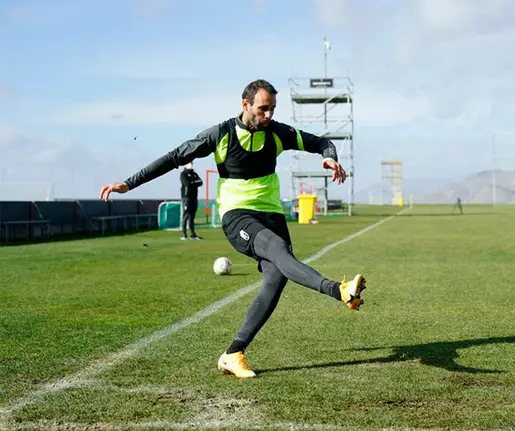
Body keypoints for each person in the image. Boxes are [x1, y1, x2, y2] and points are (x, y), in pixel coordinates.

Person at [98, 79, 367, 379]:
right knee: (277, 251)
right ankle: (338, 289)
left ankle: (233, 353)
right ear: (245, 105)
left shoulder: (278, 133)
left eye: (273, 109)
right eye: (263, 109)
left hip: (272, 214)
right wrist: (129, 182)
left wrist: (329, 157)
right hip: (237, 215)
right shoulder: (220, 134)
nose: (268, 116)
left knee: (276, 278)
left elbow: (320, 143)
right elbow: (175, 156)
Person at [180, 162, 203, 240]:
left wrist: (193, 182)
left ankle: (192, 235)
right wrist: (194, 183)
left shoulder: (194, 174)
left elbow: (200, 182)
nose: (190, 165)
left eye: (191, 163)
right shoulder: (183, 174)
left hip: (194, 197)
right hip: (186, 198)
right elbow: (187, 184)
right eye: (189, 163)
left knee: (192, 216)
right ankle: (183, 234)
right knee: (186, 215)